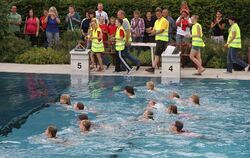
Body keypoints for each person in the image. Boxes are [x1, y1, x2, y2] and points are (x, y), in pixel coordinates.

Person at [146, 7, 169, 73]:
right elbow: (154, 29)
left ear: (161, 14)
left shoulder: (164, 21)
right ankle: (156, 68)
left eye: (159, 14)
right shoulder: (156, 21)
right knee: (160, 54)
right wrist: (149, 31)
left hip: (162, 40)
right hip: (159, 40)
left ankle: (153, 68)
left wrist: (154, 33)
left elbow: (162, 30)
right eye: (156, 14)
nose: (158, 15)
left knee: (157, 54)